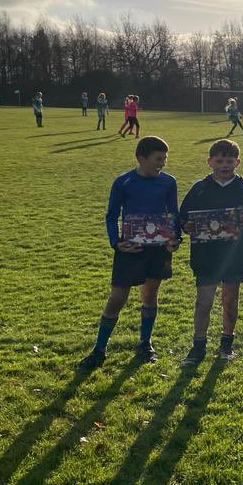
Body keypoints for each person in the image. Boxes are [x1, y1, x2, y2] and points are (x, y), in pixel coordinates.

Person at [76, 136, 180, 371]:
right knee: (118, 297)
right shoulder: (123, 182)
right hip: (130, 248)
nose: (162, 163)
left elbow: (173, 214)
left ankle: (145, 344)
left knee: (150, 293)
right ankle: (99, 349)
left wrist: (176, 238)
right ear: (141, 158)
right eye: (158, 159)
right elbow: (111, 215)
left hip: (158, 248)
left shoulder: (168, 182)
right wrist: (116, 242)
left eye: (165, 159)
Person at [178, 139, 243, 366]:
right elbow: (183, 216)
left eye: (229, 161)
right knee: (203, 301)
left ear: (237, 162)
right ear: (210, 162)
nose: (224, 165)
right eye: (219, 160)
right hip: (206, 255)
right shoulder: (200, 187)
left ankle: (226, 344)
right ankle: (198, 347)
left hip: (235, 254)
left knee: (229, 299)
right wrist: (185, 225)